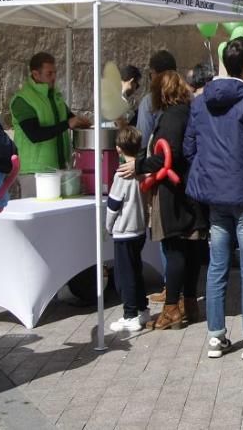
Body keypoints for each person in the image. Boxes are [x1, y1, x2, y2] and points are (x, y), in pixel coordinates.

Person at [184, 37, 243, 360]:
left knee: (217, 266)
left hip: (214, 194)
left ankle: (216, 336)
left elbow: (188, 148)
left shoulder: (199, 101)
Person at [117, 71, 208, 330]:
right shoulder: (188, 112)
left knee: (175, 247)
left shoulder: (170, 118)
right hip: (191, 188)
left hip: (174, 192)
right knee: (189, 250)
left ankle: (172, 309)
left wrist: (138, 164)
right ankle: (189, 303)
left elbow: (170, 155)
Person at [10, 52, 91, 197]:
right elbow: (34, 135)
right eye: (49, 73)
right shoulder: (22, 100)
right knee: (37, 216)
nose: (54, 77)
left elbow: (69, 119)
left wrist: (81, 122)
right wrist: (68, 123)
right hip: (34, 172)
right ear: (35, 74)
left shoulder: (55, 95)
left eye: (55, 73)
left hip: (58, 168)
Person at [106, 126, 150, 332]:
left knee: (125, 275)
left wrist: (107, 226)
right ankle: (142, 308)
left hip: (124, 230)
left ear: (118, 149)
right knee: (136, 270)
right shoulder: (143, 171)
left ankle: (130, 314)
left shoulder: (121, 175)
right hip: (140, 228)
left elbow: (114, 204)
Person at [136, 50, 177, 148]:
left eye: (151, 74)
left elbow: (143, 139)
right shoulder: (188, 97)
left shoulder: (149, 102)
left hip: (158, 158)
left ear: (157, 75)